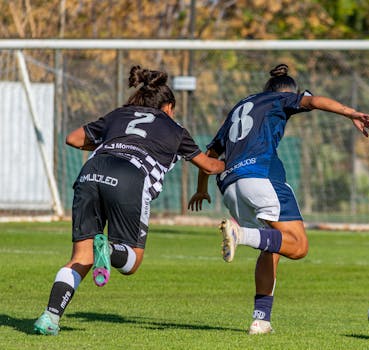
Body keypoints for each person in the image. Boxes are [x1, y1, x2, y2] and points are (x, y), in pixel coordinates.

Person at [34, 65, 225, 335]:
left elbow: (73, 138)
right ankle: (109, 251)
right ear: (168, 106)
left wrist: (112, 143)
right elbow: (208, 165)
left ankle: (50, 316)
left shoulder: (119, 114)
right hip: (130, 176)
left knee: (80, 256)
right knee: (132, 262)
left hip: (92, 170)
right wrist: (231, 162)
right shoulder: (175, 128)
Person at [188, 63, 369, 334]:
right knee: (298, 246)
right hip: (261, 177)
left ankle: (260, 321)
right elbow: (315, 101)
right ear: (287, 93)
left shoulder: (240, 107)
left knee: (273, 246)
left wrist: (201, 189)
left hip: (230, 186)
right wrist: (351, 113)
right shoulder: (280, 98)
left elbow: (209, 157)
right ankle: (240, 235)